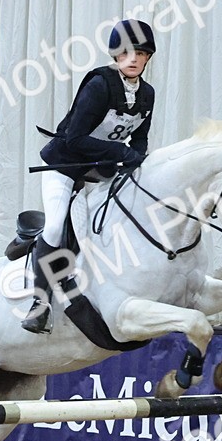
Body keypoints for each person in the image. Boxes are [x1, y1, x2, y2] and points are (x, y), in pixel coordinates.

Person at [22, 18, 158, 333]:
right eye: (126, 53)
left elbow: (139, 137)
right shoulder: (99, 85)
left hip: (102, 169)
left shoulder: (147, 94)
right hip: (66, 165)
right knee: (56, 226)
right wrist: (122, 154)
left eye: (140, 53)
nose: (134, 59)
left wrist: (137, 160)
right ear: (115, 56)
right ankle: (39, 303)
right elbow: (75, 139)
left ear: (148, 57)